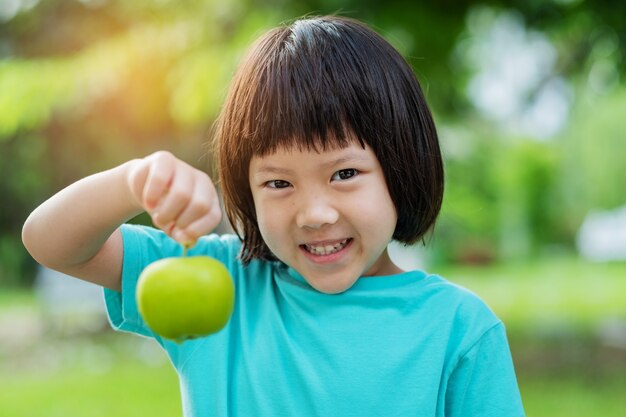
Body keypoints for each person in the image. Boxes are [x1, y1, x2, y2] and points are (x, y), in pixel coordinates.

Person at [22, 15, 525, 417]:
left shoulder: (459, 329)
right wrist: (134, 180)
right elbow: (50, 241)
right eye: (278, 183)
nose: (314, 213)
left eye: (344, 173)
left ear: (399, 166)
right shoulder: (223, 283)